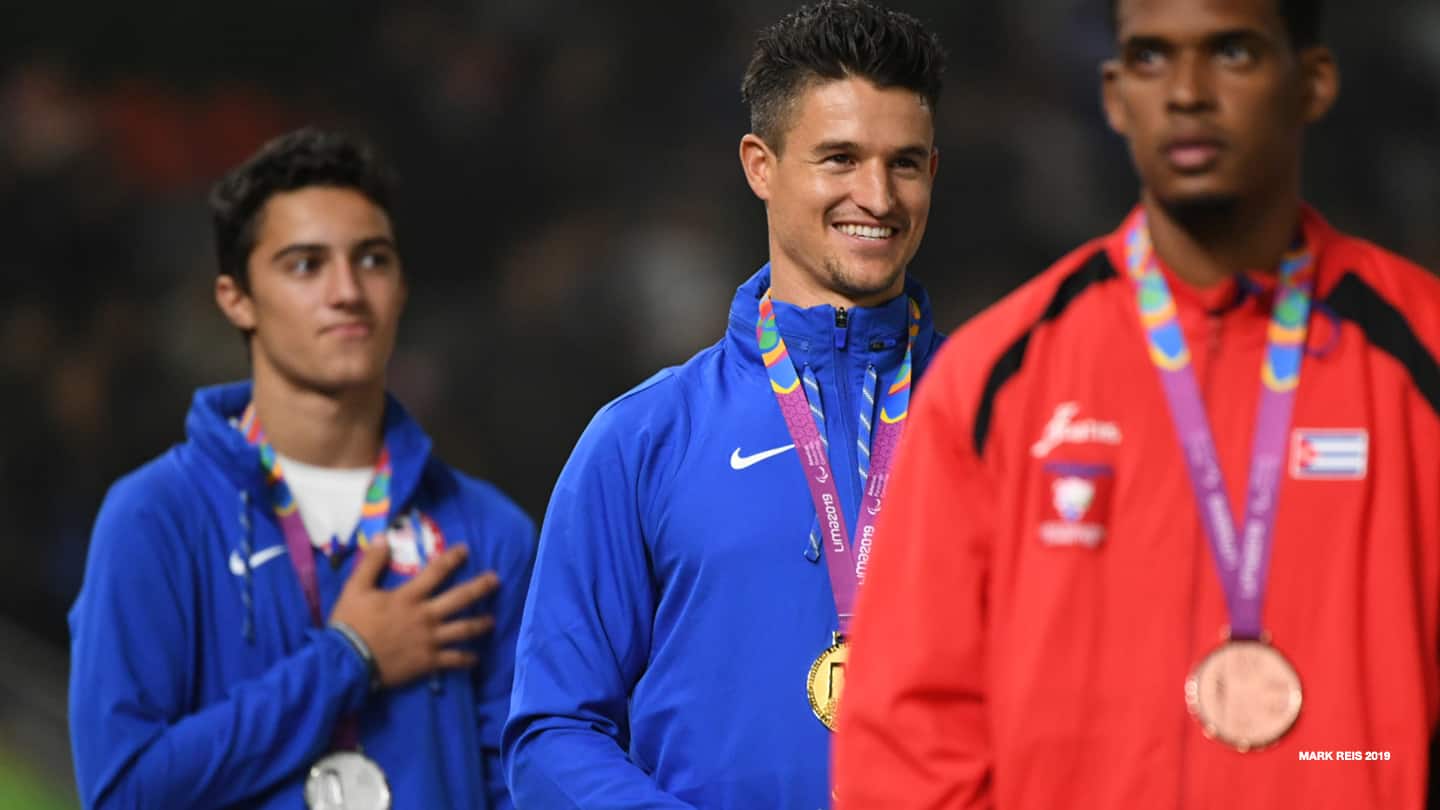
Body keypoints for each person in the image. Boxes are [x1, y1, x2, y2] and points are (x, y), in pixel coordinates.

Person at [833, 0, 1440, 807]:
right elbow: (904, 742)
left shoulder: (1420, 358)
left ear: (1313, 83)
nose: (1186, 91)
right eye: (1152, 59)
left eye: (1232, 53)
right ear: (1115, 95)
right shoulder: (997, 377)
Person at [501, 1, 946, 807]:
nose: (876, 196)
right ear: (760, 165)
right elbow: (552, 736)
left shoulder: (1002, 425)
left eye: (904, 163)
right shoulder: (643, 438)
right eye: (839, 159)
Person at [68, 128, 535, 809]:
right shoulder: (154, 516)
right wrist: (349, 657)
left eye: (372, 260)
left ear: (402, 286)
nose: (347, 291)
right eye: (305, 264)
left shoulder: (486, 531)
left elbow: (517, 788)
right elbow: (125, 793)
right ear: (236, 298)